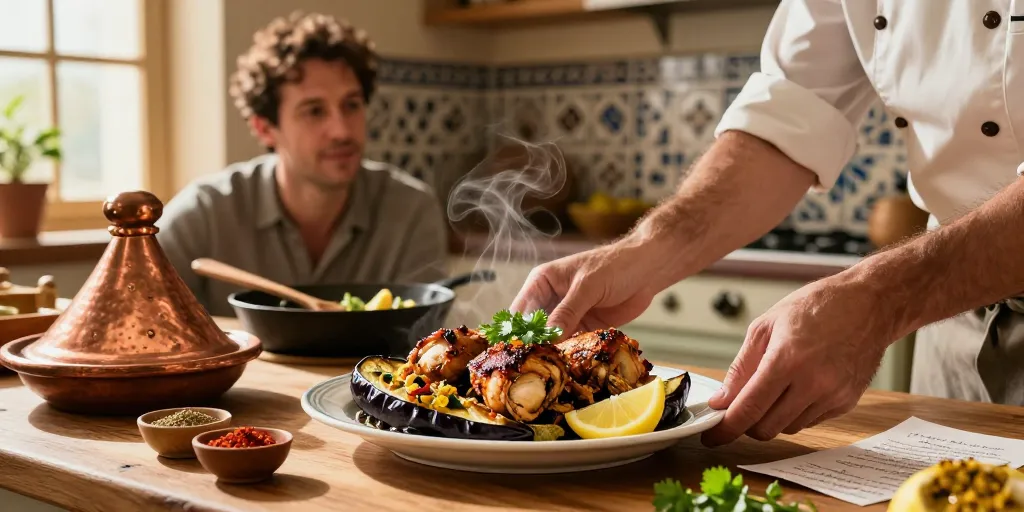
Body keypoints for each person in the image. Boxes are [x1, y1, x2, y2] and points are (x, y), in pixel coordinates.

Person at [512, 1, 1024, 447]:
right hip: (952, 336)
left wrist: (882, 299)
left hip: (937, 294)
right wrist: (645, 251)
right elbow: (786, 117)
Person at [156, 12, 449, 317]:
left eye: (351, 105)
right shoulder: (207, 211)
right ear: (264, 128)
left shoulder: (411, 210)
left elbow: (425, 333)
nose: (342, 131)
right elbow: (129, 311)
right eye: (314, 111)